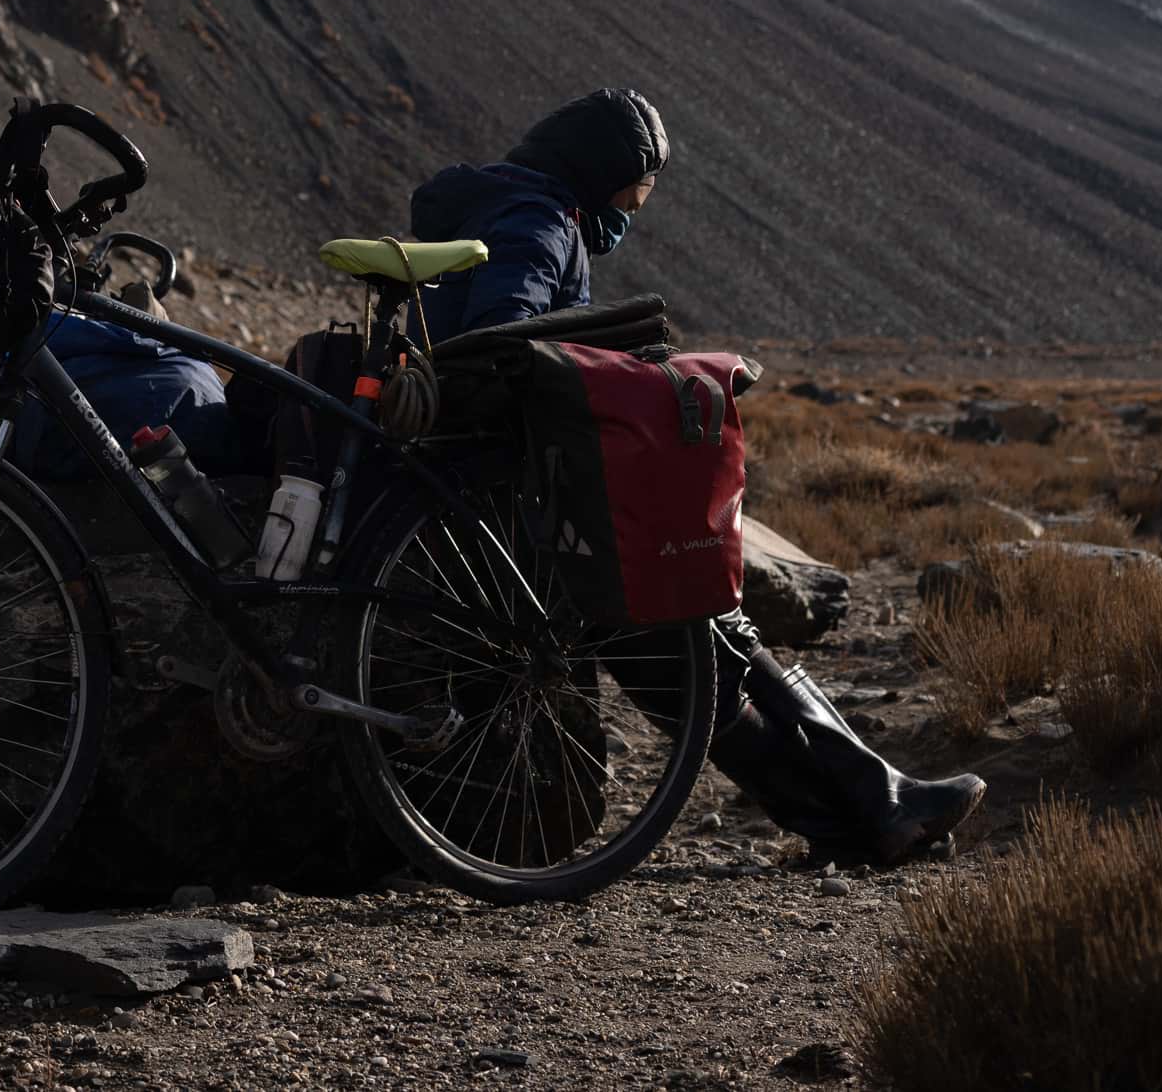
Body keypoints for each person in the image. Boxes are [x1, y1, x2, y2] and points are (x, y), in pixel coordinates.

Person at [409, 85, 985, 867]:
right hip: (517, 510)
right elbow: (499, 346)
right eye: (632, 188)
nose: (634, 206)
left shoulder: (492, 206)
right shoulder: (538, 222)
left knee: (696, 644)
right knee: (689, 629)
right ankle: (868, 806)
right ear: (596, 169)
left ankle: (868, 806)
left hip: (482, 500)